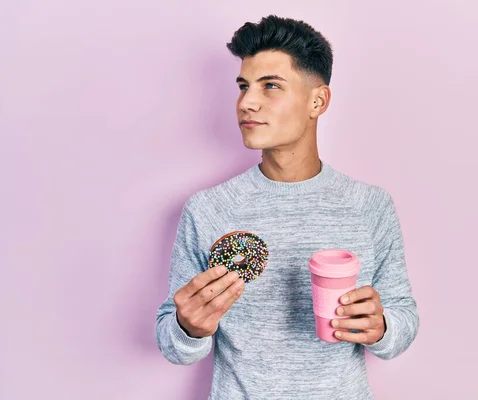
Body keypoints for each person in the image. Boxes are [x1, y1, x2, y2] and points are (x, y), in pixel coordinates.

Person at [155, 14, 419, 400]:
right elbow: (170, 340)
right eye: (243, 86)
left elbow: (403, 319)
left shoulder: (369, 205)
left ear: (318, 100)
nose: (247, 102)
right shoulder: (209, 209)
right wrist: (188, 326)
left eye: (271, 86)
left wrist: (381, 326)